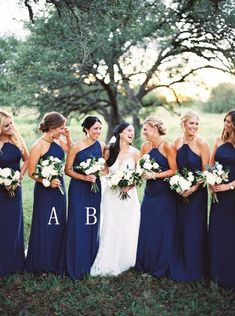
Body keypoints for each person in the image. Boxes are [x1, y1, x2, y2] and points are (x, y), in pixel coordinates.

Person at [91, 122, 141, 276]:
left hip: (129, 196)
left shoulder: (136, 153)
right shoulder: (108, 150)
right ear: (120, 133)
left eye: (133, 131)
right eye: (129, 130)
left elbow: (139, 176)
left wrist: (129, 185)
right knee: (110, 224)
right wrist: (113, 179)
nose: (132, 133)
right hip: (111, 194)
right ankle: (107, 259)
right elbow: (105, 171)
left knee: (126, 224)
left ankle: (124, 259)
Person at [25, 111, 72, 274]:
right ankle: (42, 263)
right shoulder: (38, 146)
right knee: (45, 224)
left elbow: (70, 150)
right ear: (51, 128)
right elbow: (31, 173)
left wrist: (67, 135)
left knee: (58, 223)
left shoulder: (58, 140)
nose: (62, 130)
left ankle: (56, 259)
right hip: (45, 191)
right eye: (61, 128)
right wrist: (47, 181)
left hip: (60, 189)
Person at [60, 116, 105, 280]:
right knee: (77, 223)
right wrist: (83, 177)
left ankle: (90, 261)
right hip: (79, 189)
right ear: (87, 129)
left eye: (100, 128)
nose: (98, 132)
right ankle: (74, 263)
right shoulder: (76, 146)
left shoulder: (102, 145)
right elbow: (68, 170)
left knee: (92, 223)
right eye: (95, 129)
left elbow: (106, 167)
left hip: (95, 189)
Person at [169, 111, 210, 281]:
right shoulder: (177, 142)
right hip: (179, 193)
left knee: (194, 228)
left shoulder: (202, 144)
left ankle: (195, 267)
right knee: (181, 226)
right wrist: (178, 185)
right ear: (183, 124)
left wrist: (193, 189)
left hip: (197, 194)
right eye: (191, 123)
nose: (194, 127)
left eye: (197, 124)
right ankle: (179, 263)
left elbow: (205, 171)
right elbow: (175, 168)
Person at [135, 115, 177, 277]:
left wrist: (154, 175)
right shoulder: (145, 147)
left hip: (164, 194)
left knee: (161, 229)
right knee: (147, 227)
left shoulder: (168, 146)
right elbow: (140, 167)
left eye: (145, 129)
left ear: (154, 127)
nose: (143, 132)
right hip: (149, 193)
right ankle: (144, 263)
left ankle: (158, 267)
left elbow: (174, 170)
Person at [0, 110, 29, 277]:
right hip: (0, 190)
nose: (11, 127)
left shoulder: (17, 139)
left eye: (11, 123)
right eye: (6, 125)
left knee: (14, 224)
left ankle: (15, 263)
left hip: (14, 188)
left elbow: (27, 159)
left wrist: (19, 176)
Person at [209, 109, 235, 290]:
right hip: (218, 195)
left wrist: (229, 186)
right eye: (224, 121)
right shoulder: (218, 141)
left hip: (232, 194)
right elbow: (210, 164)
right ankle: (215, 272)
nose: (225, 124)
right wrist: (210, 181)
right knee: (217, 230)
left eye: (229, 122)